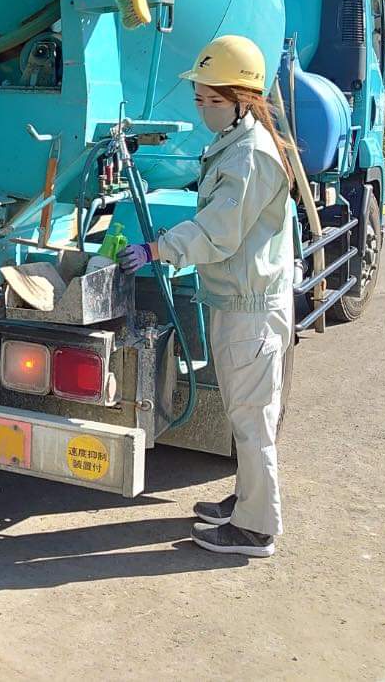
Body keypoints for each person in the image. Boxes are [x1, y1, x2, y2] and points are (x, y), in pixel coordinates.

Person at [117, 34, 293, 558]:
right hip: (236, 302)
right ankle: (247, 501)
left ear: (242, 100)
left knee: (252, 419)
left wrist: (160, 249)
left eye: (210, 101)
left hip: (252, 311)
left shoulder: (249, 157)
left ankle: (257, 529)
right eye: (198, 100)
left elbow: (219, 230)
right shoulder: (239, 143)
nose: (202, 110)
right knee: (246, 416)